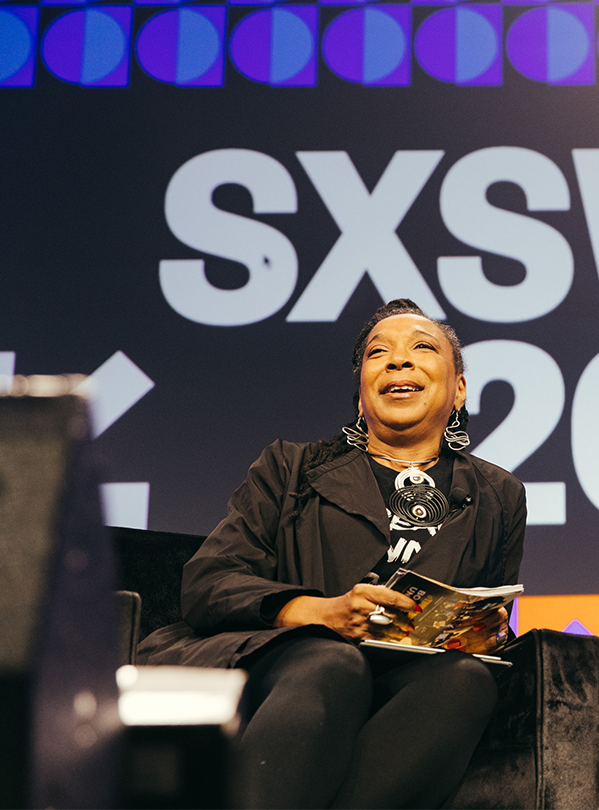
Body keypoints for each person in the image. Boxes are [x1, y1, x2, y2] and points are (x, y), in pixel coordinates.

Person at [138, 299, 526, 810]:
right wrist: (323, 613)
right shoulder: (291, 467)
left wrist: (481, 630)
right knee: (335, 662)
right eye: (378, 353)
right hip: (281, 660)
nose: (398, 360)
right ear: (361, 394)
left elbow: (489, 618)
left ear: (458, 389)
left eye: (422, 348)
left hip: (403, 677)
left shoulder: (499, 495)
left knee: (468, 681)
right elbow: (209, 581)